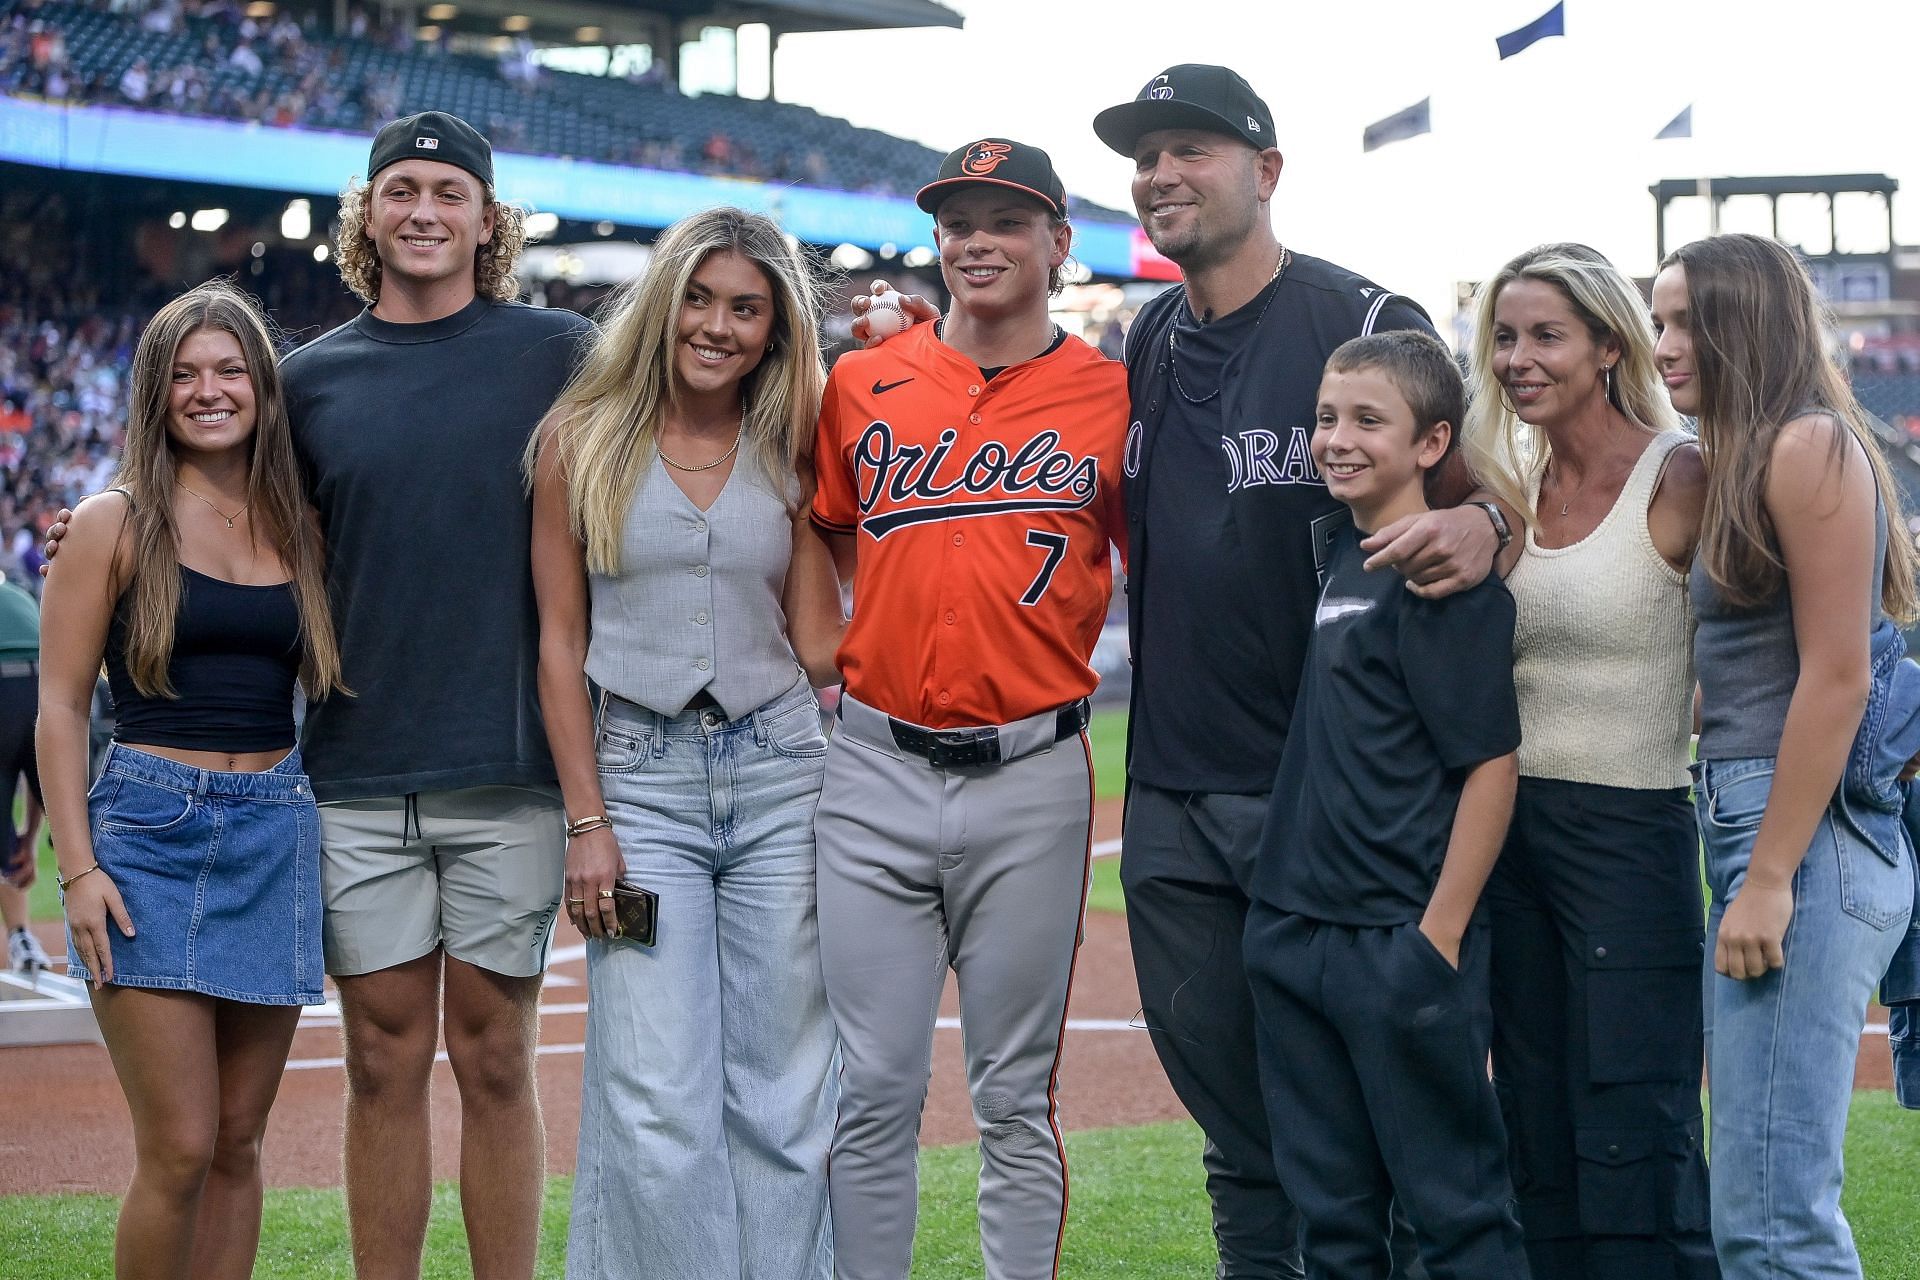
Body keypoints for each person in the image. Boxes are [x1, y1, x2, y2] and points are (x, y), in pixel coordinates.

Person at [1090, 64, 1501, 1277]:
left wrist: (1492, 526)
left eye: (1193, 149)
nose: (1162, 172)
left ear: (1265, 172)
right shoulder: (1147, 334)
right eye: (1147, 152)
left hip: (1330, 798)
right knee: (1237, 1125)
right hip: (1169, 788)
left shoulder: (1364, 318)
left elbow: (1477, 490)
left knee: (1371, 1125)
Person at [810, 137, 1127, 1280]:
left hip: (1033, 773)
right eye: (959, 222)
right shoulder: (863, 380)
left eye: (1006, 219)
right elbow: (826, 531)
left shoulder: (1110, 392)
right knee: (872, 1087)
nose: (978, 240)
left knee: (1013, 1093)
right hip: (875, 765)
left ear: (1056, 242)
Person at [527, 207, 843, 1279]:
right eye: (700, 299)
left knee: (787, 1086)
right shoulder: (580, 437)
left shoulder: (797, 438)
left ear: (775, 328)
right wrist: (589, 819)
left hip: (783, 769)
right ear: (663, 304)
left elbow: (815, 642)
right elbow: (559, 643)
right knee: (655, 1095)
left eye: (747, 307)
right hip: (640, 782)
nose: (718, 325)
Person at [36, 281, 345, 1280]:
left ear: (262, 382)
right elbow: (60, 706)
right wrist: (77, 869)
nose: (209, 390)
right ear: (152, 393)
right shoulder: (109, 521)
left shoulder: (302, 522)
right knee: (177, 1145)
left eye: (230, 369)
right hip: (147, 834)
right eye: (184, 374)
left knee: (240, 1141)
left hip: (275, 829)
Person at [1653, 232, 1917, 1279]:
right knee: (1759, 1203)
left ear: (1739, 324)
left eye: (1682, 320)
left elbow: (1837, 676)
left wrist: (1766, 878)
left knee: (1773, 1219)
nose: (1665, 343)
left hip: (1800, 842)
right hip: (1766, 821)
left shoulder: (1806, 445)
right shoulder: (1745, 453)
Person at [1245, 329, 1528, 1278]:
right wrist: (1277, 923)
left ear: (1431, 444)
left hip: (1398, 939)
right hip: (1296, 934)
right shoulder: (1336, 553)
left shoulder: (1448, 581)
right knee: (1330, 1223)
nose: (1337, 438)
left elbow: (1494, 767)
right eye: (1327, 417)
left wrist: (1437, 939)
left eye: (1370, 420)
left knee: (1455, 1217)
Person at [1463, 244, 1718, 1278]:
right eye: (1506, 337)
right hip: (1513, 839)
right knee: (1533, 1122)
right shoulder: (1511, 485)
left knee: (1635, 1129)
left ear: (1611, 345)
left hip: (1630, 837)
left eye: (1546, 335)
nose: (1519, 358)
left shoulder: (1685, 472)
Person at [0, 574, 50, 973]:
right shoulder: (19, 597)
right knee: (73, 821)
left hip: (29, 686)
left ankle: (20, 936)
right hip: (41, 686)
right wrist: (30, 839)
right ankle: (21, 937)